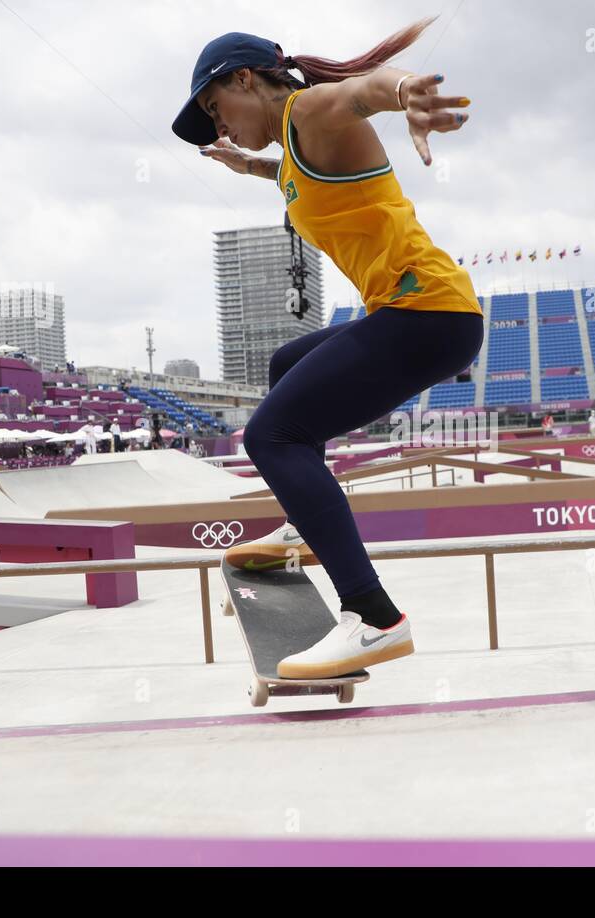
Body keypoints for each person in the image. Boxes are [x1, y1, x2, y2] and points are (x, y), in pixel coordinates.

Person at [174, 22, 480, 679]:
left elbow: (362, 92)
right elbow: (292, 176)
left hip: (425, 312)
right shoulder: (293, 142)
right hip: (423, 311)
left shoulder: (311, 108)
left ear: (245, 79)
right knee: (287, 367)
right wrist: (246, 165)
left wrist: (406, 93)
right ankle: (302, 526)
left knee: (273, 436)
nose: (218, 126)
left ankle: (374, 618)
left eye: (214, 109)